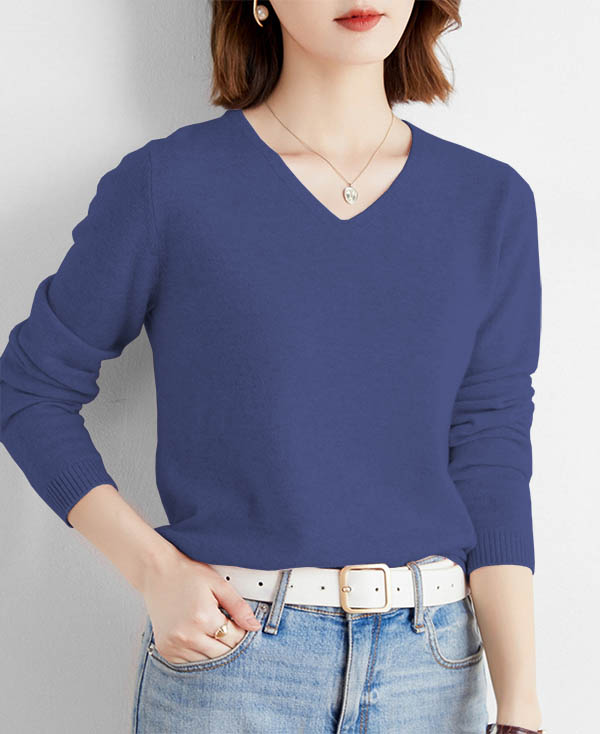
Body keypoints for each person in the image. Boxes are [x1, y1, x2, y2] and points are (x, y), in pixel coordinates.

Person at [0, 1, 545, 732]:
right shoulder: (169, 184)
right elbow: (29, 389)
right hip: (234, 659)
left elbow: (491, 445)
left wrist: (521, 705)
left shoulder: (491, 201)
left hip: (435, 671)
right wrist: (155, 571)